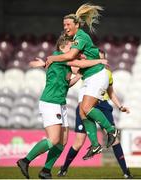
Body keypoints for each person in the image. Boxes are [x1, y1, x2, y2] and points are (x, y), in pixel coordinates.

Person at [16, 34, 109, 179]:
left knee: (63, 141)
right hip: (50, 102)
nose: (73, 49)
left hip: (60, 103)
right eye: (70, 47)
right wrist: (99, 61)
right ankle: (25, 161)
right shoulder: (59, 57)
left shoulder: (62, 61)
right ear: (61, 47)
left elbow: (68, 83)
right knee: (53, 140)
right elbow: (81, 64)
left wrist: (78, 76)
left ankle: (45, 171)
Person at [45, 3, 119, 160]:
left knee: (86, 107)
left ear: (76, 25)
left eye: (68, 24)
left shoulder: (81, 36)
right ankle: (95, 144)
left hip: (98, 75)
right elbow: (74, 59)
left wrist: (53, 58)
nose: (65, 27)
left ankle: (111, 130)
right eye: (64, 24)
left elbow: (70, 57)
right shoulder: (75, 39)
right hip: (89, 76)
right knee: (82, 111)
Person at [57, 69, 133, 179]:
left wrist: (120, 107)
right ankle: (64, 169)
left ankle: (126, 172)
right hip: (86, 103)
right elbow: (73, 67)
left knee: (114, 140)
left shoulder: (107, 73)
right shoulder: (87, 68)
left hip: (102, 104)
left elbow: (111, 93)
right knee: (79, 141)